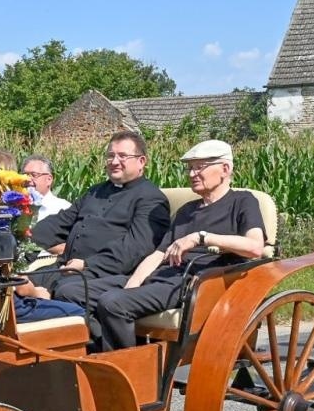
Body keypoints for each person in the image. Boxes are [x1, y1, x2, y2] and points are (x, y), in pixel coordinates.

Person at [95, 140, 264, 351]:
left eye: (199, 167)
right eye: (190, 168)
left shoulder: (243, 201)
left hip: (194, 284)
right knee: (77, 291)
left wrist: (201, 237)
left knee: (112, 303)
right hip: (163, 277)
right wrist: (132, 285)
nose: (192, 174)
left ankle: (130, 373)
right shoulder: (187, 211)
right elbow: (159, 254)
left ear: (225, 169)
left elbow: (255, 247)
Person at [19, 131, 171, 320]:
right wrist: (20, 239)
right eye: (110, 155)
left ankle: (90, 344)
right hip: (67, 268)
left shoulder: (151, 199)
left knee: (66, 291)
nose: (114, 161)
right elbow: (60, 222)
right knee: (16, 284)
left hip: (108, 274)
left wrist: (87, 263)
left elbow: (135, 249)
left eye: (122, 156)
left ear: (141, 161)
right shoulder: (95, 192)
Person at [20, 154, 72, 220]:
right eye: (25, 175)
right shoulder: (16, 207)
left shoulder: (64, 209)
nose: (28, 179)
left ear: (49, 179)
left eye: (34, 175)